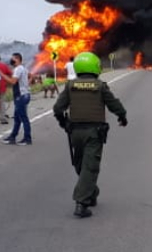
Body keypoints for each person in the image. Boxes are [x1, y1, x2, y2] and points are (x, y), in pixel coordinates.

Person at [53, 52, 127, 219]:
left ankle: (91, 193)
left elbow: (58, 108)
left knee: (80, 165)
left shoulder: (70, 86)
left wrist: (63, 123)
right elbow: (114, 104)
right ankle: (81, 203)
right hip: (94, 133)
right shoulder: (100, 86)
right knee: (89, 167)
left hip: (75, 132)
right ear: (95, 67)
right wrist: (122, 116)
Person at [0, 52, 33, 145]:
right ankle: (12, 137)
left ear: (18, 59)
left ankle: (27, 138)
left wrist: (2, 75)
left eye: (13, 58)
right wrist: (26, 85)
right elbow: (31, 76)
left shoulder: (18, 69)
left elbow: (13, 81)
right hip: (24, 94)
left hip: (21, 96)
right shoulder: (23, 68)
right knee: (17, 118)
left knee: (23, 118)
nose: (11, 60)